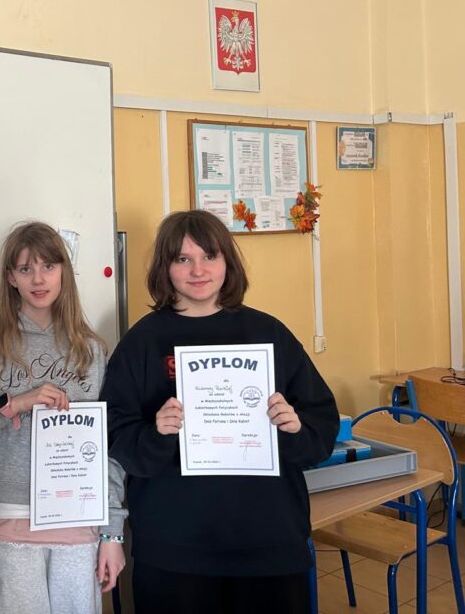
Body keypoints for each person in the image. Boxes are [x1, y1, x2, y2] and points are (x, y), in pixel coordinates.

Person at [100, 210, 339, 614]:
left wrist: (295, 427)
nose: (198, 270)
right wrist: (155, 433)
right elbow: (115, 435)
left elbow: (322, 426)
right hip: (175, 548)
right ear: (165, 267)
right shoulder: (142, 341)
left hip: (266, 542)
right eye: (182, 259)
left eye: (209, 256)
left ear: (228, 262)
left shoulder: (269, 334)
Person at [0, 221, 126, 614]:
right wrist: (12, 405)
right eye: (25, 269)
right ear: (10, 277)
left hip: (78, 525)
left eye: (48, 267)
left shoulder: (90, 351)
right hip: (7, 524)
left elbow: (107, 448)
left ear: (64, 272)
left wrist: (112, 532)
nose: (38, 279)